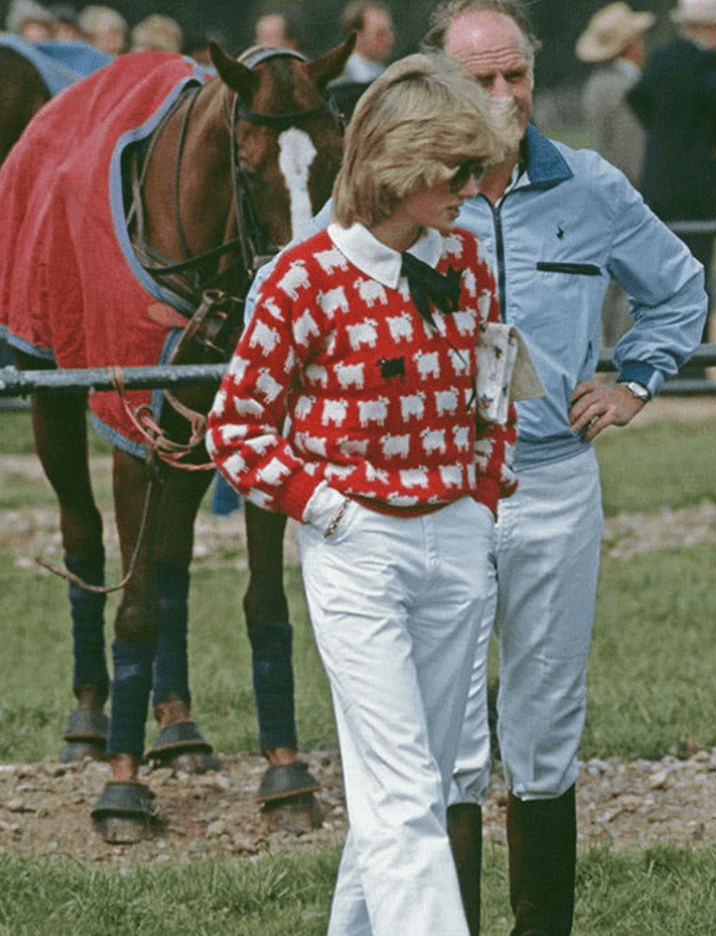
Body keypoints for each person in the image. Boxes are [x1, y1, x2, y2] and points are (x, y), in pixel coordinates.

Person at [207, 53, 518, 936]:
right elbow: (235, 427)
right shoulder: (302, 279)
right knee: (403, 788)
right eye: (459, 170)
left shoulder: (463, 258)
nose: (473, 187)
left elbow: (491, 384)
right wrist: (326, 508)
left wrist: (482, 494)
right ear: (399, 166)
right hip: (358, 547)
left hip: (455, 538)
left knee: (413, 777)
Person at [417, 2, 707, 934]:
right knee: (447, 739)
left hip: (552, 480)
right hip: (438, 494)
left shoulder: (589, 185)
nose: (504, 96)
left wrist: (635, 381)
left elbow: (680, 288)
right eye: (483, 79)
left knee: (545, 726)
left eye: (517, 77)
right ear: (442, 81)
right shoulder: (406, 192)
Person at [627, 0, 716, 372]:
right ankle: (695, 362)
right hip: (701, 185)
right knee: (698, 270)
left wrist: (663, 137)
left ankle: (659, 360)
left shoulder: (660, 59)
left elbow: (636, 98)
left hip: (659, 181)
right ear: (705, 28)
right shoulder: (715, 66)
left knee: (661, 273)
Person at [577, 1, 654, 347]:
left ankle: (609, 349)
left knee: (609, 278)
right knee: (628, 277)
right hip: (625, 190)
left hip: (601, 190)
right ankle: (622, 351)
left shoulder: (598, 84)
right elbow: (631, 151)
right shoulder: (625, 89)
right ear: (630, 45)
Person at [334, 0, 395, 83]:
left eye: (389, 33)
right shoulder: (338, 79)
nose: (388, 40)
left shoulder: (385, 73)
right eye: (380, 34)